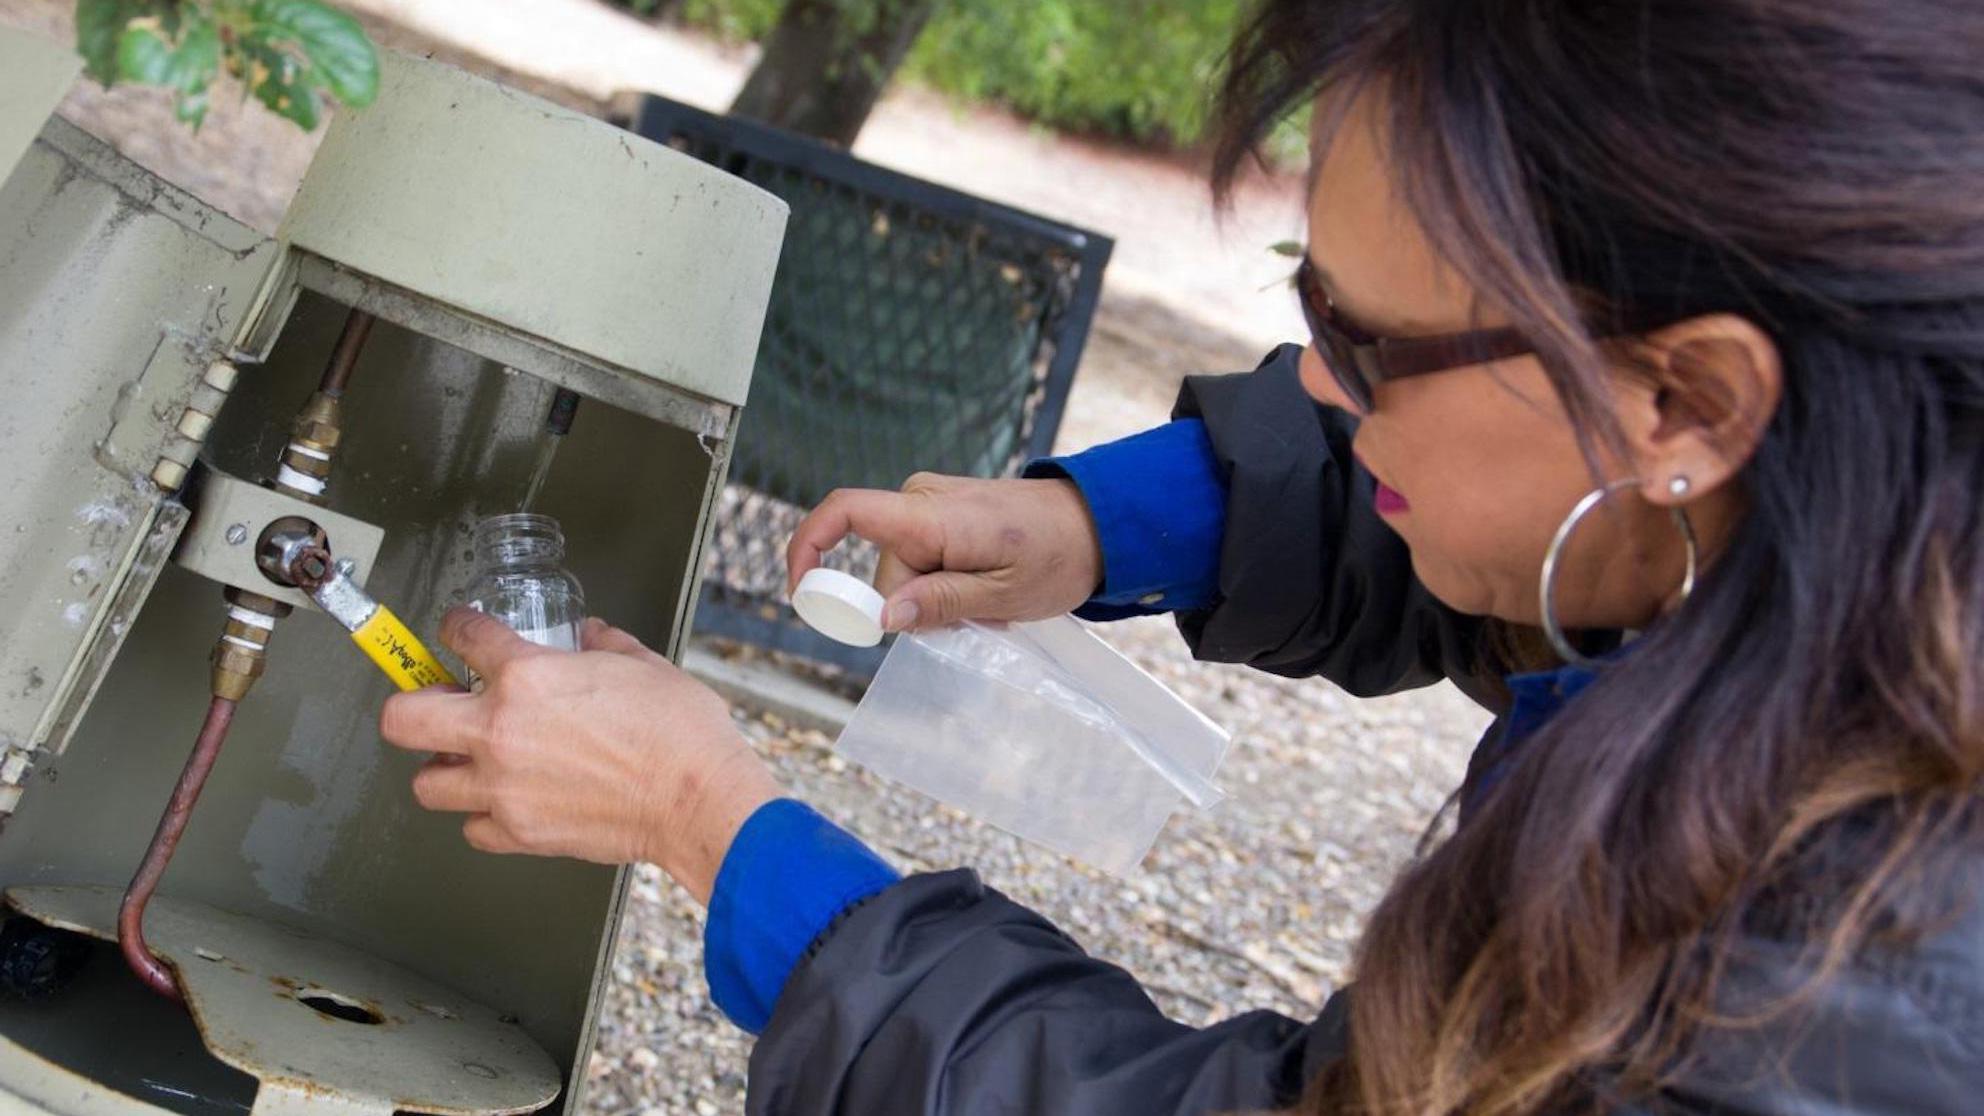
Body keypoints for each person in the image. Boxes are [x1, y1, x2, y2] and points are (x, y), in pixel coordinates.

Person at [378, 0, 1984, 1112]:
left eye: (1371, 342)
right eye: (1309, 301)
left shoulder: (1852, 992)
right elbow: (1546, 512)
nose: (1324, 390)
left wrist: (718, 830)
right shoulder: (1864, 509)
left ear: (1689, 398)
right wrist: (1089, 528)